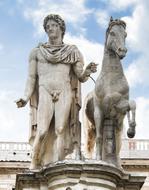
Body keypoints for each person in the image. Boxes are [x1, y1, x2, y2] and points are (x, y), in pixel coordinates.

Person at [16, 14, 97, 170]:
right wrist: (25, 97)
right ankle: (35, 163)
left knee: (61, 129)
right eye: (47, 27)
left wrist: (87, 71)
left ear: (61, 28)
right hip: (45, 90)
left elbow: (80, 76)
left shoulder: (72, 51)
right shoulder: (37, 52)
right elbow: (31, 78)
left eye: (53, 25)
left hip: (64, 91)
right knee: (42, 130)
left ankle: (58, 166)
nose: (49, 29)